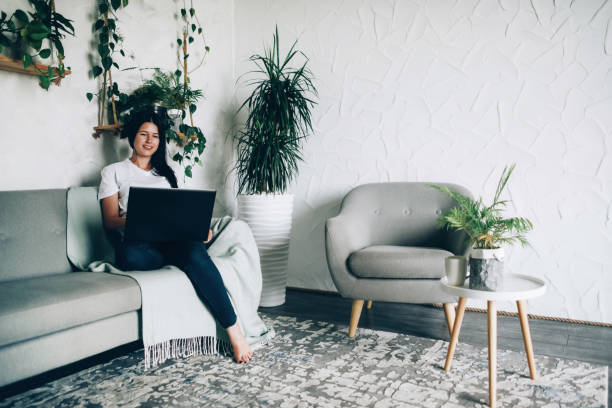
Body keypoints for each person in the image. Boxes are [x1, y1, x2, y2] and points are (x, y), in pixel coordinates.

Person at [98, 107, 253, 364]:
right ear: (132, 136)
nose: (150, 141)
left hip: (174, 241)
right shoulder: (113, 172)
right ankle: (182, 258)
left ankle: (234, 330)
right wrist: (142, 216)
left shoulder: (170, 172)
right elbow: (110, 219)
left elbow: (184, 210)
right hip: (140, 246)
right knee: (130, 255)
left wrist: (200, 227)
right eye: (144, 134)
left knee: (193, 250)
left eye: (156, 136)